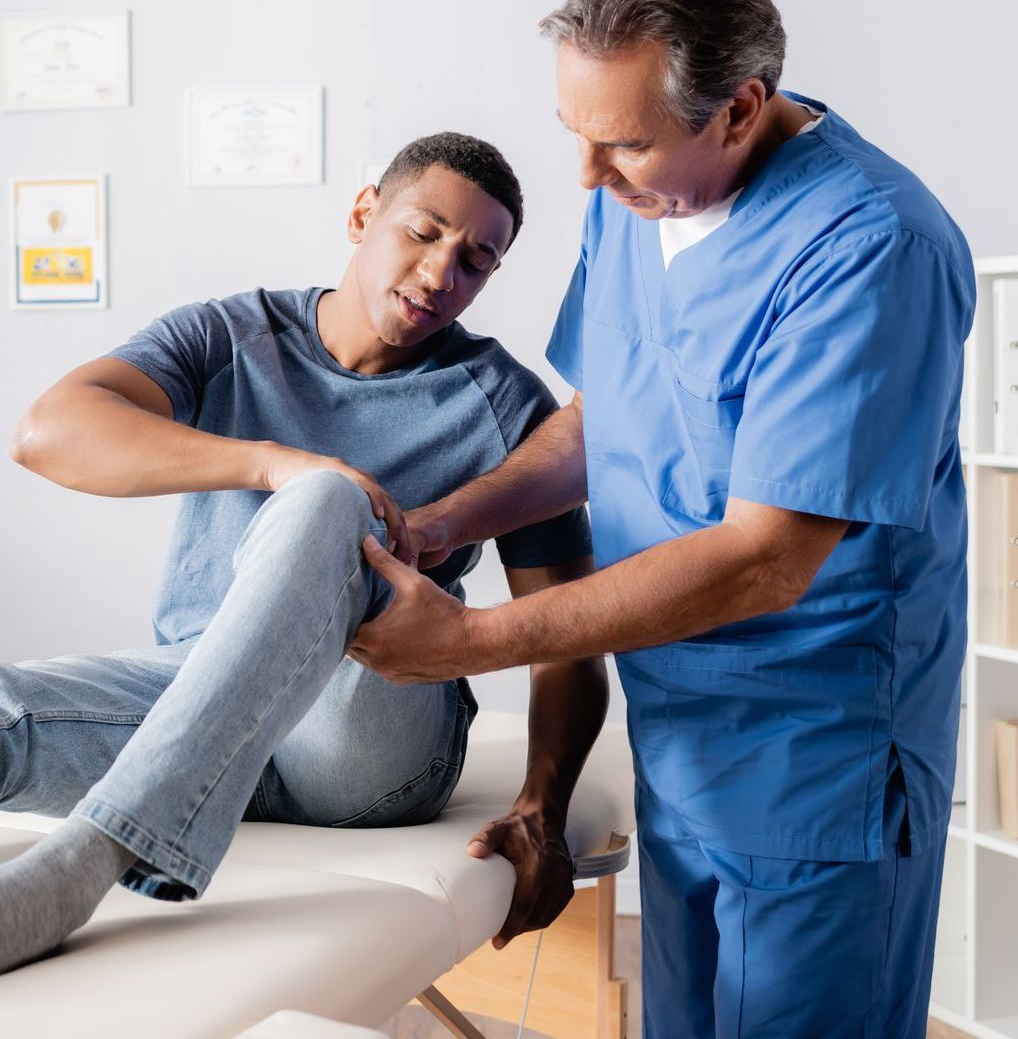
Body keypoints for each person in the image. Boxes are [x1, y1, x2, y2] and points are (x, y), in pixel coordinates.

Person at [351, 0, 976, 1038]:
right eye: (577, 138)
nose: (589, 176)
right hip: (679, 733)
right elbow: (608, 417)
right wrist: (445, 522)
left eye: (624, 143)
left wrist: (466, 641)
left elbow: (765, 556)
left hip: (810, 756)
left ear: (739, 109)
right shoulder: (635, 193)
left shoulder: (869, 247)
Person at [0, 131, 604, 975]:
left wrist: (542, 807)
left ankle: (91, 858)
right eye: (423, 232)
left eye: (475, 260)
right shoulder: (232, 333)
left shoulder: (503, 402)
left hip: (363, 742)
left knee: (331, 501)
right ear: (364, 213)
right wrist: (272, 460)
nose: (441, 275)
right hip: (199, 692)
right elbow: (45, 433)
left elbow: (567, 638)